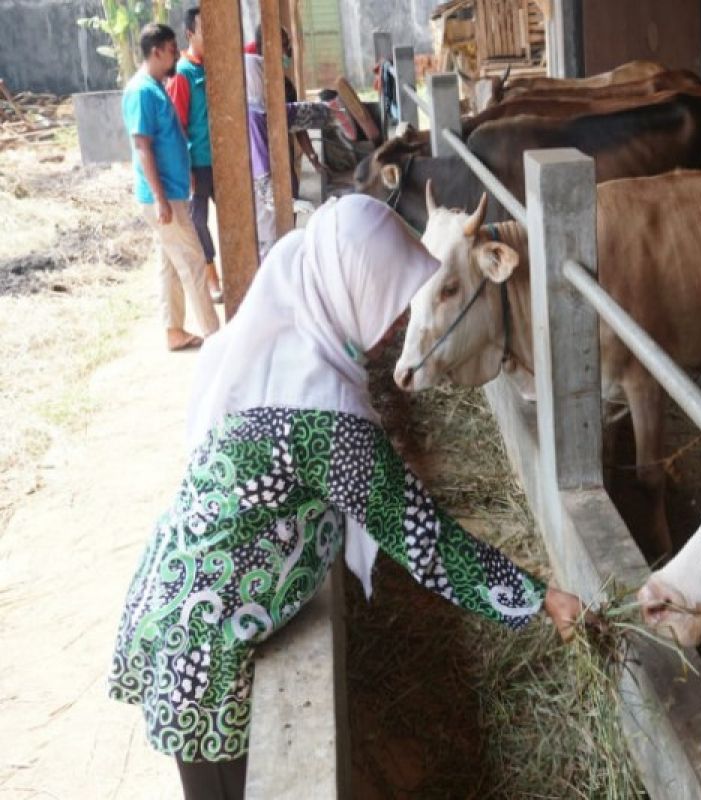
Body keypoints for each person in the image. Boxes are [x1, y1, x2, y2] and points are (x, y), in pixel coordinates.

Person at [108, 194, 582, 799]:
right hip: (208, 654)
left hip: (177, 607)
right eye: (387, 299)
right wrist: (536, 597)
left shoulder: (281, 350)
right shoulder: (325, 421)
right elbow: (424, 541)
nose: (392, 328)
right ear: (349, 289)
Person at [123, 23, 220, 351]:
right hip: (162, 196)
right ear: (156, 52)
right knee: (193, 261)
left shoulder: (155, 86)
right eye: (170, 49)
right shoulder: (140, 91)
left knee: (169, 263)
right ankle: (215, 336)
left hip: (171, 191)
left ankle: (174, 331)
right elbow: (143, 147)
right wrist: (162, 198)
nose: (175, 55)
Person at [244, 51, 352, 260]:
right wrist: (291, 203)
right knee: (272, 257)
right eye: (263, 76)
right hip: (265, 212)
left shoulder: (266, 110)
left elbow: (301, 114)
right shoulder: (252, 119)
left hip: (280, 202)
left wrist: (334, 112)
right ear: (255, 80)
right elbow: (265, 186)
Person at [166, 7, 222, 303]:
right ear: (190, 34)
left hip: (222, 161)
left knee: (232, 217)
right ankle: (212, 277)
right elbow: (178, 126)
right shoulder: (182, 75)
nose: (211, 37)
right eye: (205, 31)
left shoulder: (214, 67)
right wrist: (184, 168)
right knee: (198, 220)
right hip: (196, 164)